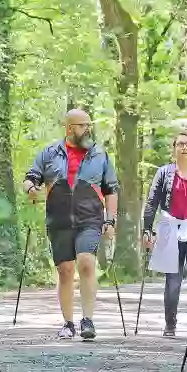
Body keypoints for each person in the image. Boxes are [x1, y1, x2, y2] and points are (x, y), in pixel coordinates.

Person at [23, 110, 120, 341]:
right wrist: (30, 189)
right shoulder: (49, 153)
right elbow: (31, 177)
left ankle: (88, 320)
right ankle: (67, 323)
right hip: (59, 219)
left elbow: (111, 190)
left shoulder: (99, 154)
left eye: (89, 124)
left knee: (87, 263)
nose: (87, 129)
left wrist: (111, 219)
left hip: (90, 217)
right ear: (69, 128)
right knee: (65, 271)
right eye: (82, 125)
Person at [142, 131, 187, 339]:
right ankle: (170, 324)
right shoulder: (164, 173)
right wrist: (148, 230)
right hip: (170, 230)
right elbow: (151, 203)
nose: (184, 147)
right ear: (174, 148)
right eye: (180, 144)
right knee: (173, 281)